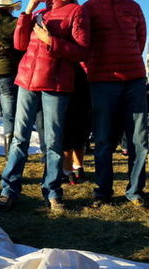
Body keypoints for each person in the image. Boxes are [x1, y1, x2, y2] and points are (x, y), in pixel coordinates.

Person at [0, 0, 89, 213]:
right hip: (27, 81)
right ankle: (9, 190)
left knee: (54, 141)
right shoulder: (38, 12)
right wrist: (27, 11)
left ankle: (53, 191)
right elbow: (19, 44)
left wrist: (51, 40)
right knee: (19, 138)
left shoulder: (77, 11)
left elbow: (82, 51)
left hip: (56, 84)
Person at [80, 0, 148, 207]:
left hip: (134, 79)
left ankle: (135, 191)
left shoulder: (134, 6)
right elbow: (83, 43)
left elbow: (141, 37)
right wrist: (92, 70)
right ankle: (103, 191)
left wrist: (131, 60)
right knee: (103, 139)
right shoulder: (89, 8)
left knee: (139, 139)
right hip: (102, 81)